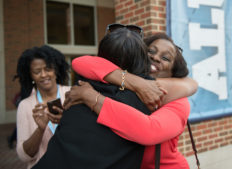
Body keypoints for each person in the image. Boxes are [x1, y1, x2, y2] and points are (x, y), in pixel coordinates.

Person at [65, 31, 197, 168]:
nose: (156, 58)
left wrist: (91, 97)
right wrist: (137, 83)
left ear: (173, 72)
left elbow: (150, 131)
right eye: (151, 51)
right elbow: (80, 62)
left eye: (165, 58)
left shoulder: (179, 102)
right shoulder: (124, 82)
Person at [15, 45, 70, 169]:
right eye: (37, 71)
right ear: (31, 76)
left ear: (56, 70)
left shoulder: (71, 94)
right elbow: (24, 156)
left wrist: (65, 120)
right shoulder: (25, 106)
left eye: (48, 68)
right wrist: (40, 129)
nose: (44, 75)